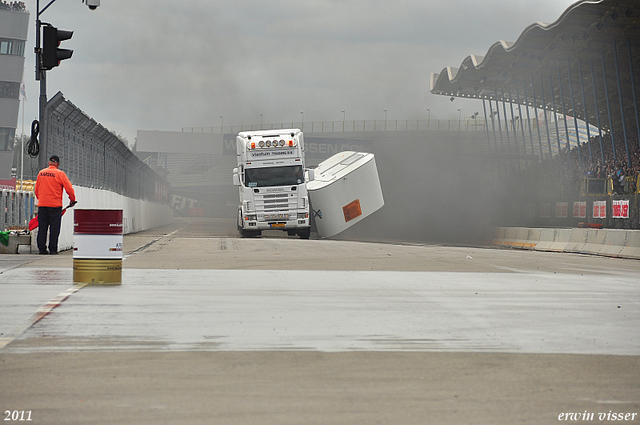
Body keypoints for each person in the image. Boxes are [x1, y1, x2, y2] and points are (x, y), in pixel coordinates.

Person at [34, 155, 77, 254]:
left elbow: (36, 189)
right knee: (54, 228)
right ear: (57, 164)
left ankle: (42, 249)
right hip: (55, 205)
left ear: (49, 163)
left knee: (42, 227)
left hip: (43, 204)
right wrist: (72, 200)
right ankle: (53, 249)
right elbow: (69, 188)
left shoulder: (41, 173)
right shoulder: (60, 174)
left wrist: (41, 199)